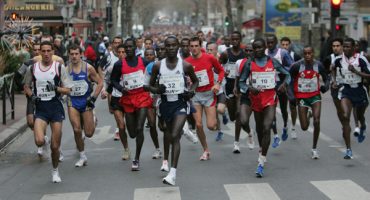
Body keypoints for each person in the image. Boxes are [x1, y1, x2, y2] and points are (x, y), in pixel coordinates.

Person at [145, 36, 199, 186]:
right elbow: (150, 86)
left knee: (174, 135)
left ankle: (173, 173)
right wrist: (158, 89)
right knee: (168, 134)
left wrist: (191, 92)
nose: (170, 48)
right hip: (165, 105)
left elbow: (195, 81)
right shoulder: (157, 66)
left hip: (180, 103)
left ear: (178, 47)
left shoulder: (185, 65)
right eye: (167, 46)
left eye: (173, 45)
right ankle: (170, 163)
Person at [239, 38, 291, 177]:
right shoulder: (249, 63)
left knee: (267, 127)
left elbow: (287, 74)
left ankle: (261, 162)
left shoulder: (272, 61)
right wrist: (250, 88)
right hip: (256, 100)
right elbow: (241, 82)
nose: (257, 50)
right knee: (260, 129)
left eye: (260, 47)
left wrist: (283, 85)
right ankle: (262, 147)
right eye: (255, 48)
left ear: (264, 48)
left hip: (270, 99)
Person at [23, 41, 73, 183]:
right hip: (41, 108)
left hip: (55, 108)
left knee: (55, 146)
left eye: (48, 51)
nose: (45, 54)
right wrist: (31, 95)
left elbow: (69, 89)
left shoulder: (59, 67)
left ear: (53, 52)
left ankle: (55, 171)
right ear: (39, 53)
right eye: (43, 51)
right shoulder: (32, 69)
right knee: (39, 141)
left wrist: (56, 89)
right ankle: (44, 141)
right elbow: (26, 86)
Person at [111, 38, 153, 170]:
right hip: (128, 99)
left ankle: (136, 158)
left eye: (130, 47)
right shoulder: (119, 64)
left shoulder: (143, 61)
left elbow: (153, 73)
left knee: (140, 128)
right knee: (132, 133)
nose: (128, 49)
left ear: (135, 47)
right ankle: (134, 147)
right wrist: (121, 88)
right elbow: (113, 80)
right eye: (126, 47)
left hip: (142, 97)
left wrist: (152, 87)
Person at [185, 36, 225, 160]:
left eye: (196, 46)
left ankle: (216, 122)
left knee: (210, 126)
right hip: (195, 95)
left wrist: (218, 83)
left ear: (200, 46)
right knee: (198, 124)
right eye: (192, 46)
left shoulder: (210, 58)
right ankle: (206, 150)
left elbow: (221, 71)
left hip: (208, 94)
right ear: (189, 47)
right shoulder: (186, 62)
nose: (194, 48)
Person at [332, 38, 370, 159]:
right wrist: (334, 81)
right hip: (346, 91)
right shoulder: (338, 59)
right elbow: (332, 68)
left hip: (360, 91)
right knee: (345, 117)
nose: (346, 49)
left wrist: (356, 72)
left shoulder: (361, 59)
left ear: (354, 48)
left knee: (359, 116)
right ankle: (348, 149)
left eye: (349, 47)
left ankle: (363, 125)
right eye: (345, 47)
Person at [66, 44, 103, 167]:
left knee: (89, 133)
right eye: (72, 54)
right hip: (72, 102)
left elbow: (100, 83)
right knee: (76, 129)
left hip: (86, 101)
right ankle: (82, 156)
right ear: (69, 55)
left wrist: (93, 98)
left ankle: (93, 119)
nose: (74, 56)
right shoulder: (65, 69)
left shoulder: (88, 68)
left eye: (76, 53)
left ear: (81, 54)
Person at [289, 46, 329, 159]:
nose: (307, 55)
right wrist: (291, 95)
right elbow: (288, 80)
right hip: (301, 97)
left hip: (315, 95)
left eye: (309, 53)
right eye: (305, 53)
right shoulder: (297, 66)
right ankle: (308, 114)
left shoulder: (318, 65)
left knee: (317, 121)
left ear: (313, 53)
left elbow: (326, 78)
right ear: (303, 54)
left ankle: (314, 148)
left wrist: (325, 87)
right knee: (304, 127)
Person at [219, 31, 246, 153]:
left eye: (237, 39)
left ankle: (236, 143)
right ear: (230, 40)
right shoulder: (226, 53)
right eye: (232, 39)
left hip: (240, 86)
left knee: (239, 114)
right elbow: (218, 67)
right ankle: (227, 115)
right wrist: (222, 73)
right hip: (229, 86)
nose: (234, 41)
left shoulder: (245, 54)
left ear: (240, 40)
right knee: (232, 116)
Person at [265, 34, 294, 146]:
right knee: (270, 110)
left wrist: (280, 68)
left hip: (281, 84)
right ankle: (276, 136)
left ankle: (285, 125)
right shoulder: (264, 53)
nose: (270, 45)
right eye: (268, 43)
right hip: (269, 85)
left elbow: (292, 66)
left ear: (276, 42)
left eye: (272, 42)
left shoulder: (283, 53)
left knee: (283, 109)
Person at [206, 42, 228, 141]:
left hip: (220, 90)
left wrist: (226, 73)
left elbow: (226, 66)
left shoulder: (221, 59)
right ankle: (220, 131)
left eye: (211, 50)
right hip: (210, 92)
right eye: (208, 50)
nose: (209, 52)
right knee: (214, 115)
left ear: (216, 50)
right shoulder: (204, 60)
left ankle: (224, 115)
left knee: (220, 110)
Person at [323, 38, 345, 138]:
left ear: (342, 46)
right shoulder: (329, 58)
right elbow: (324, 73)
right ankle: (344, 125)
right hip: (335, 86)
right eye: (333, 46)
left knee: (348, 108)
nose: (335, 48)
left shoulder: (347, 57)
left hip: (347, 86)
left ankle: (354, 124)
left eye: (337, 46)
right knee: (339, 109)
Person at [280, 36, 300, 139]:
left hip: (292, 83)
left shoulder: (295, 55)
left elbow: (299, 69)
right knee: (283, 108)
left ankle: (293, 128)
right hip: (281, 84)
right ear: (280, 44)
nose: (285, 46)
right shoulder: (277, 55)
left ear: (290, 45)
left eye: (286, 45)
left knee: (293, 105)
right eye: (283, 44)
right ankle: (285, 125)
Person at [144, 48, 162, 159]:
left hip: (161, 97)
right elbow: (144, 84)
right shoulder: (146, 67)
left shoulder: (161, 65)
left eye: (151, 54)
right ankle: (157, 149)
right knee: (151, 124)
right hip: (149, 97)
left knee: (162, 126)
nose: (149, 56)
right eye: (147, 54)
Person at [235, 44, 255, 150]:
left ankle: (262, 152)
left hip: (259, 95)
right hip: (246, 93)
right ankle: (249, 132)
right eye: (246, 50)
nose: (248, 52)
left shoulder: (261, 62)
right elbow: (238, 77)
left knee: (265, 123)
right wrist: (235, 87)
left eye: (250, 50)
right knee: (242, 119)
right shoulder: (239, 62)